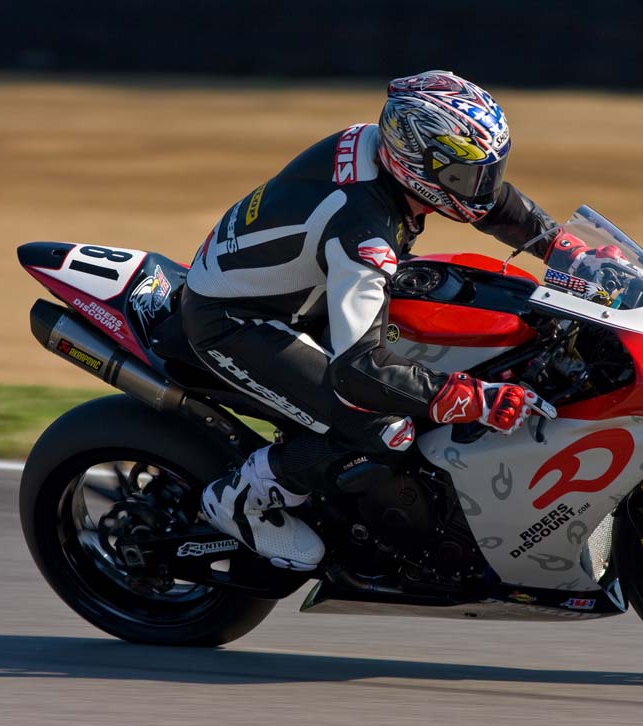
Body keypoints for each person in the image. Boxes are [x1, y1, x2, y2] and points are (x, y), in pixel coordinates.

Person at [181, 70, 604, 571]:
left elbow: (487, 204)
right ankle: (243, 498)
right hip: (238, 319)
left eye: (488, 171)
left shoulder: (378, 149)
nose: (482, 187)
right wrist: (475, 398)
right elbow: (359, 370)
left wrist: (568, 251)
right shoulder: (364, 231)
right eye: (467, 176)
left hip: (303, 286)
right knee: (383, 427)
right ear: (416, 163)